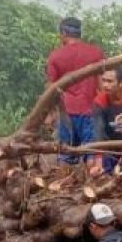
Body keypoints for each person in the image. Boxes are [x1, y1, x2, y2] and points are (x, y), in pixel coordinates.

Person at [46, 16, 105, 157]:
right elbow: (103, 85)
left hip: (66, 113)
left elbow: (51, 90)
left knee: (66, 157)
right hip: (91, 111)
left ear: (63, 34)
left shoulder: (55, 56)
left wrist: (50, 114)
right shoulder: (96, 53)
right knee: (92, 156)